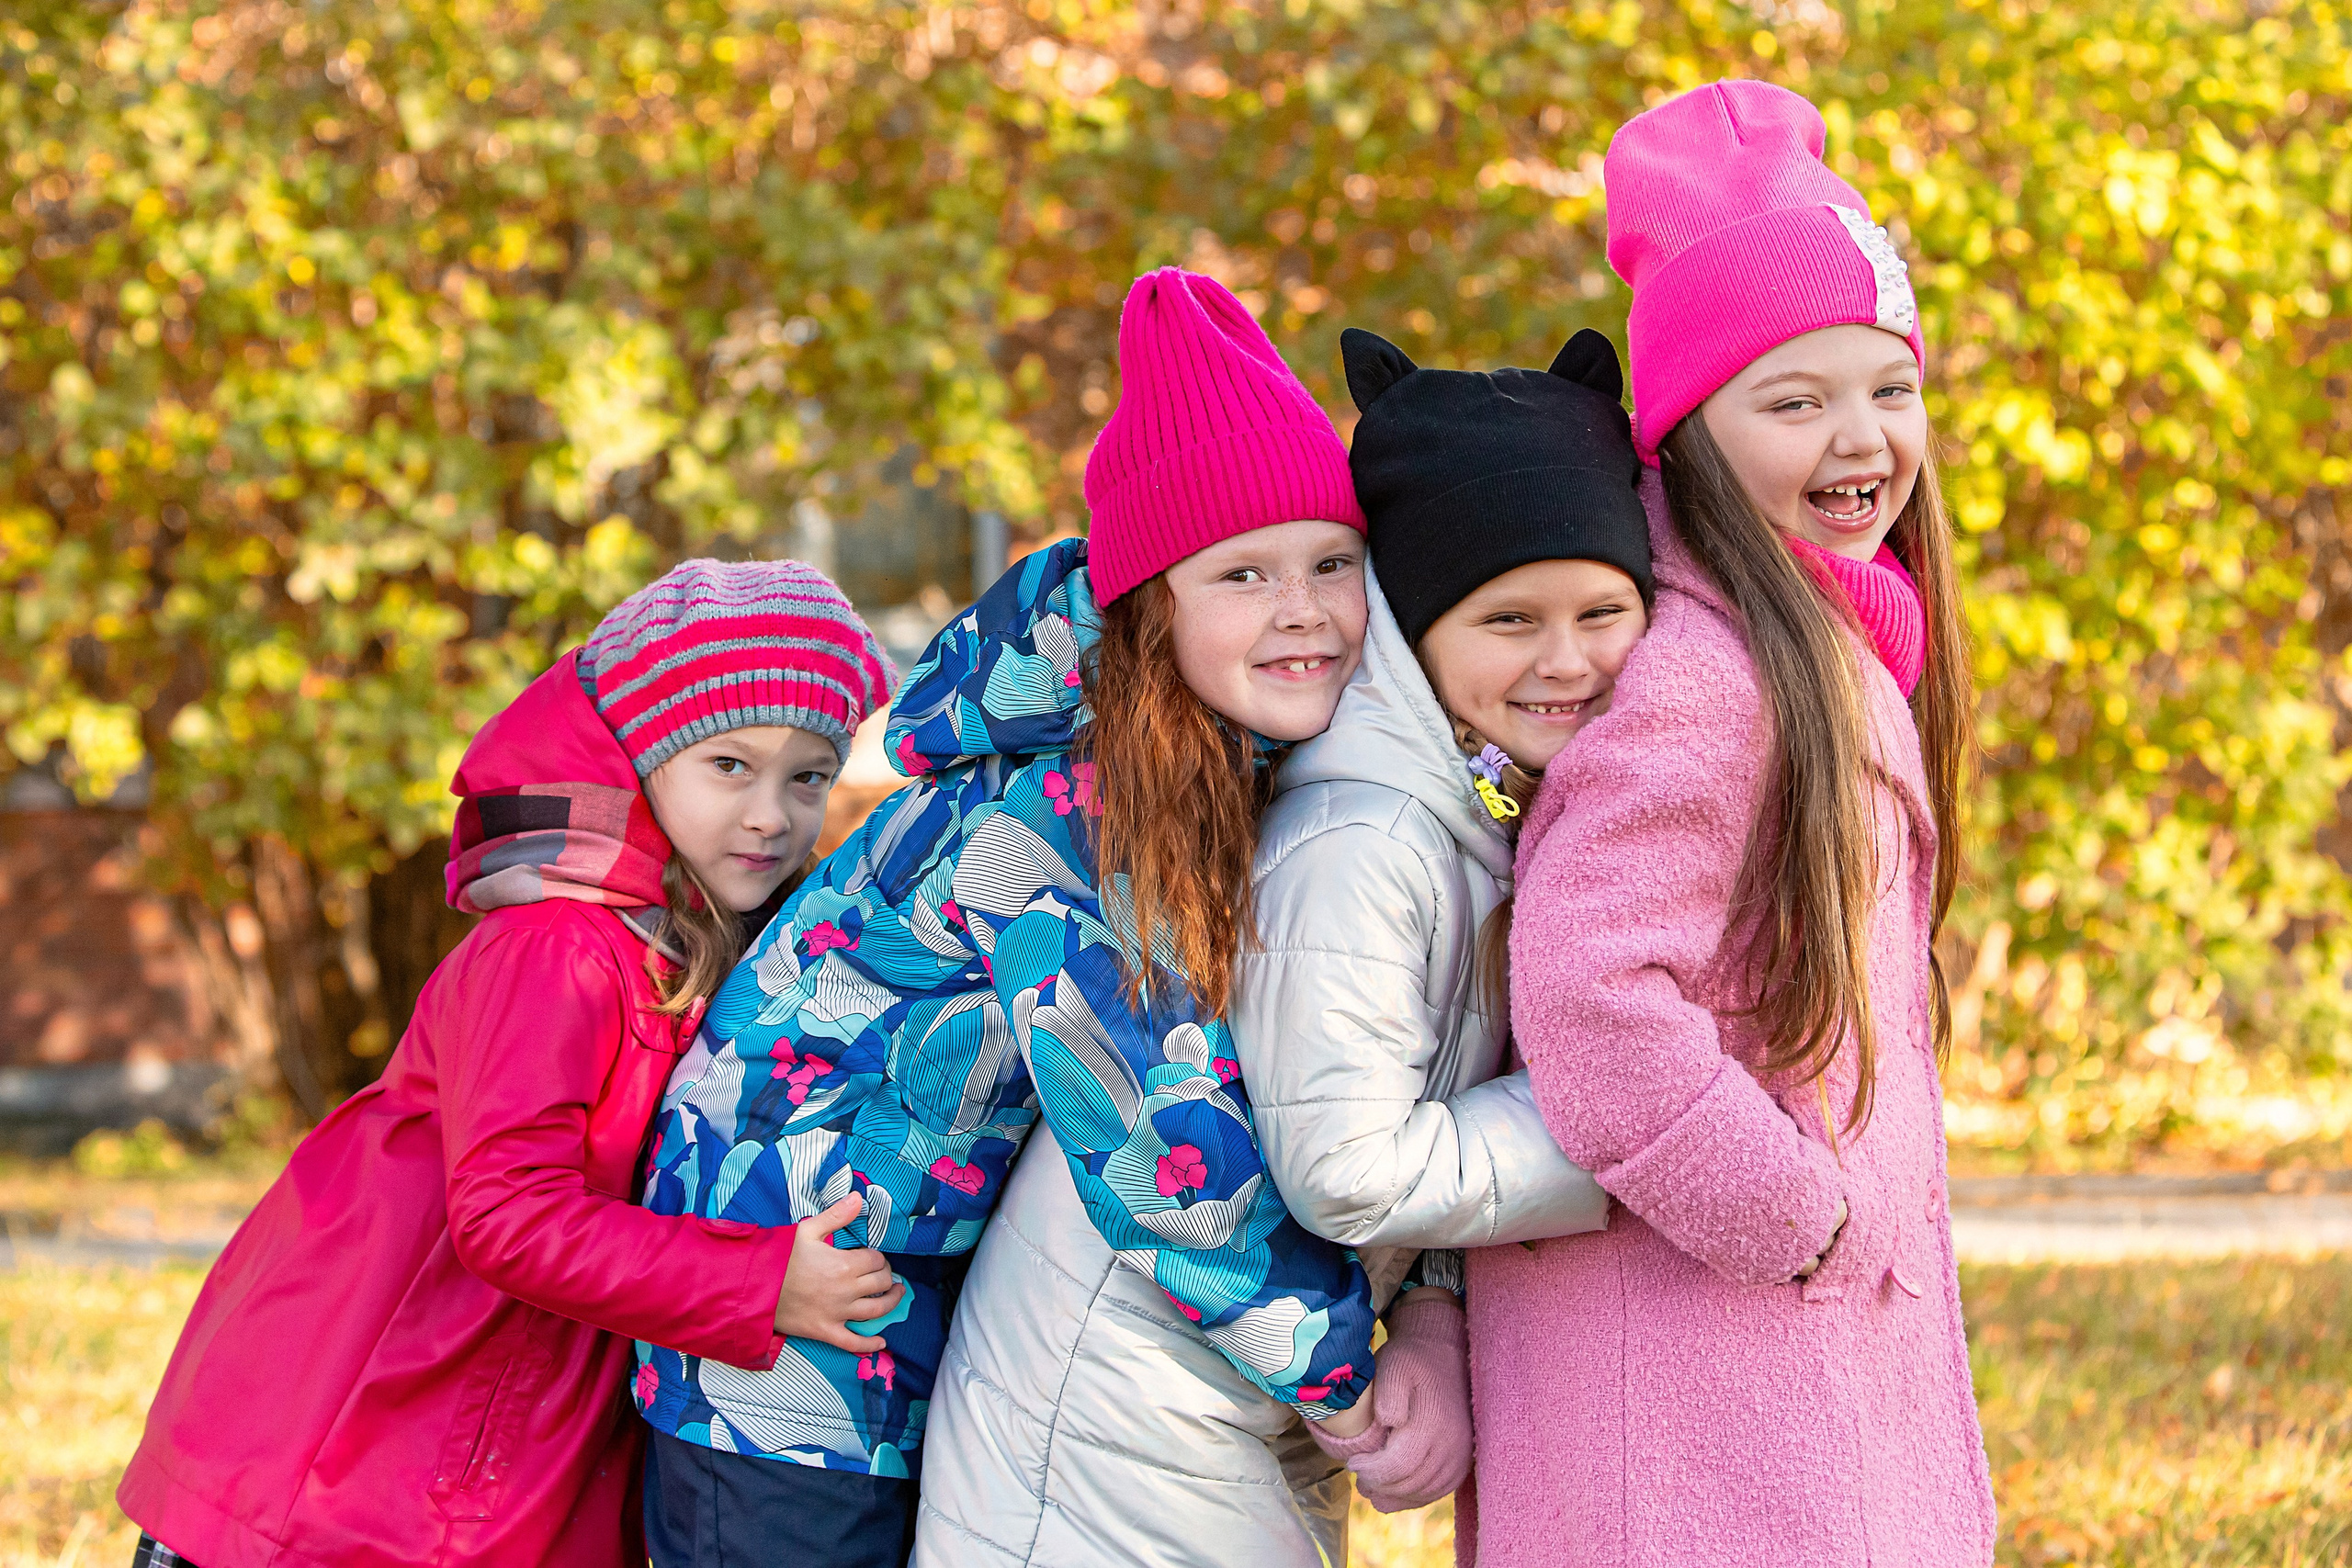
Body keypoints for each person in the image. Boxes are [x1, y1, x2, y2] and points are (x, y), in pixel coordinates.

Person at [633, 267, 1382, 1568]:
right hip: (784, 1343)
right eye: (1244, 573)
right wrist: (1343, 1368)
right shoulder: (1063, 817)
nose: (1302, 607)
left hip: (879, 1297)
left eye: (1333, 562)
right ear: (1152, 604)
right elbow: (1150, 1135)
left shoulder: (1178, 755)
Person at [1460, 79, 1996, 1566]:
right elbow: (1585, 987)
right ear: (1690, 431)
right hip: (1702, 1393)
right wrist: (1794, 1214)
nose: (1861, 436)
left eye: (1889, 388)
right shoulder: (1711, 681)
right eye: (1795, 399)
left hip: (1778, 1381)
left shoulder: (1826, 646)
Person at [116, 560, 899, 1568]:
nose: (770, 815)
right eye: (729, 765)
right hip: (354, 1456)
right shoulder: (559, 951)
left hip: (466, 1446)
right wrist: (757, 1287)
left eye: (808, 776)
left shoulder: (677, 942)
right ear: (642, 756)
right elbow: (509, 1215)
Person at [1231, 325, 1655, 1512]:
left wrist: (1429, 1308)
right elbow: (1349, 1164)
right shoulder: (1364, 839)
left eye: (1602, 610)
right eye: (1508, 620)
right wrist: (1634, 1119)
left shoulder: (1485, 808)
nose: (1568, 659)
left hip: (1259, 1395)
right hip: (1136, 1403)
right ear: (1417, 636)